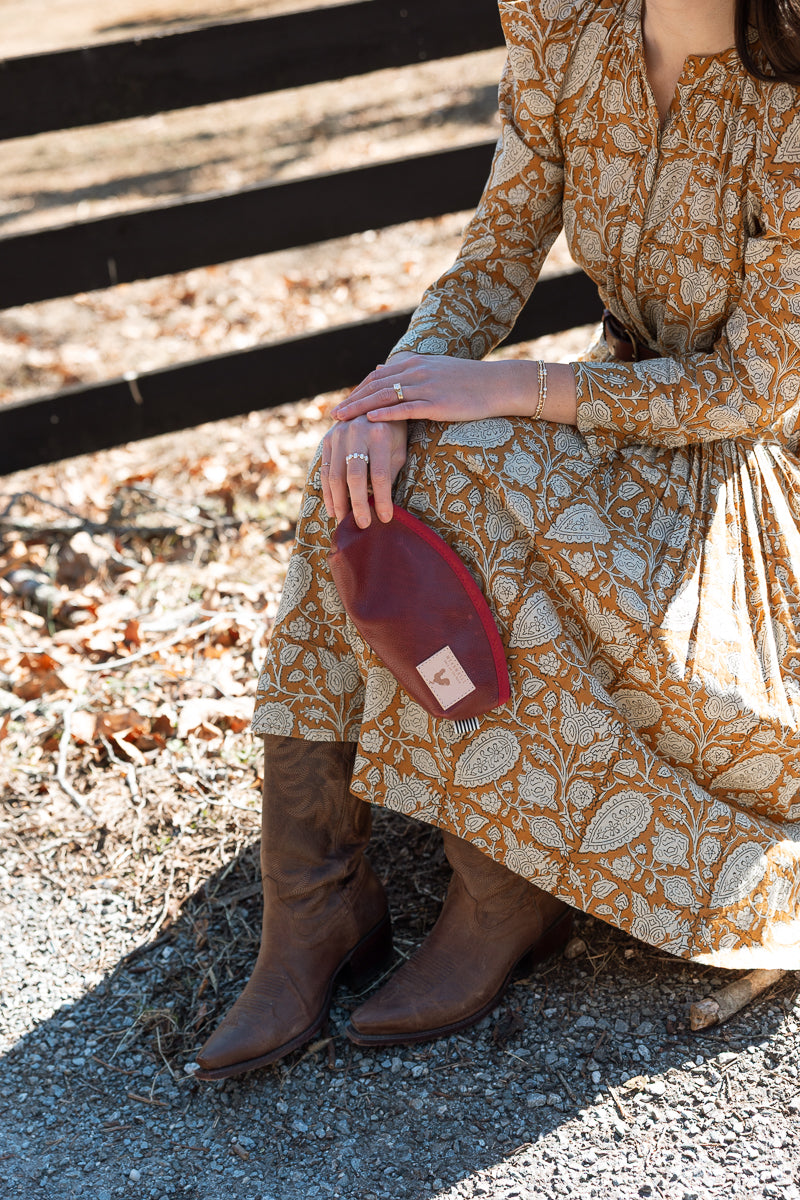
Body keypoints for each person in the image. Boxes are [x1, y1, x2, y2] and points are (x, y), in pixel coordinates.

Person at [193, 0, 800, 1081]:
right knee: (358, 461)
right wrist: (382, 399)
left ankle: (497, 897)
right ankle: (314, 901)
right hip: (603, 412)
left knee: (467, 461)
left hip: (741, 482)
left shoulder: (789, 92)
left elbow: (749, 389)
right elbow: (496, 253)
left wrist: (510, 387)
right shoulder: (567, 29)